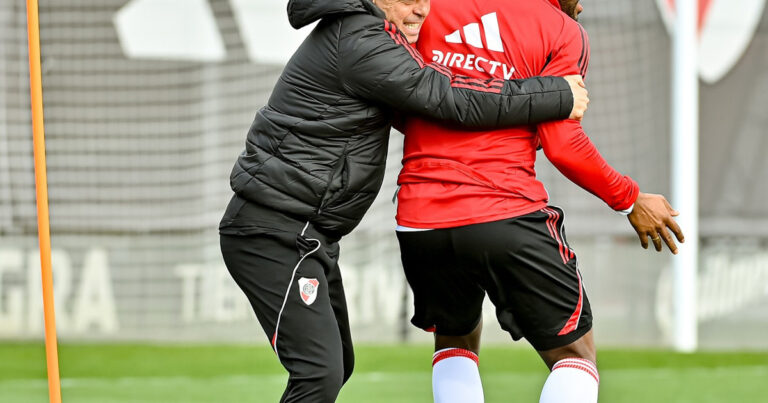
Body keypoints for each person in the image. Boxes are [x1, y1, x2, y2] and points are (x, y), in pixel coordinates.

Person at [218, 0, 590, 401]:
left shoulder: (371, 35)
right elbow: (450, 98)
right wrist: (557, 92)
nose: (421, 11)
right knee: (318, 373)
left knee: (337, 365)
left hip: (307, 234)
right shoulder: (362, 39)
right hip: (272, 231)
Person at [395, 1, 686, 402]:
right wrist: (629, 198)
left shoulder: (428, 6)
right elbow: (563, 146)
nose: (582, 4)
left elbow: (398, 98)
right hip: (506, 213)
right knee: (574, 356)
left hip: (419, 220)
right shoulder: (561, 30)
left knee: (454, 340)